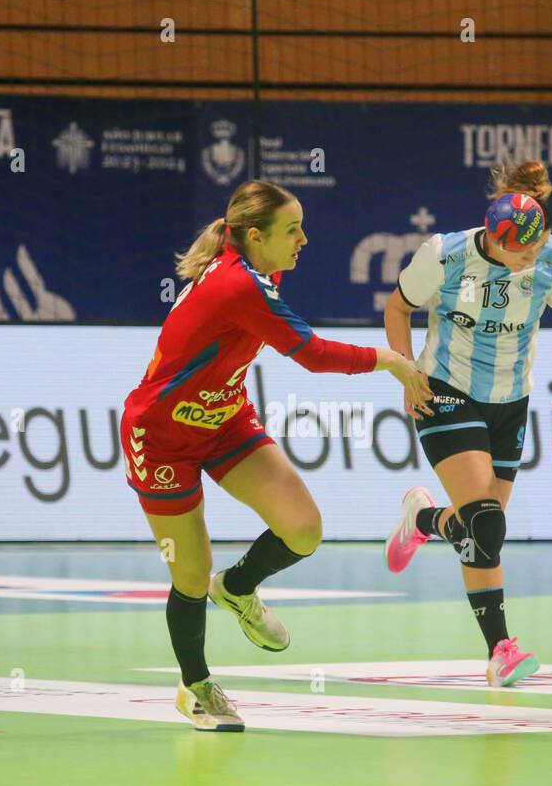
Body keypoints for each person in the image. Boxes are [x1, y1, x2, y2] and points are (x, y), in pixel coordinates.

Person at [122, 179, 432, 731]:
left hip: (224, 421)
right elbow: (310, 353)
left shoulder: (263, 270)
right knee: (191, 576)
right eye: (293, 230)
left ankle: (238, 589)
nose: (305, 239)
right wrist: (391, 361)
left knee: (304, 530)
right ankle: (195, 686)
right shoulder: (236, 286)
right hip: (161, 435)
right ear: (255, 236)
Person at [382, 160, 552, 687]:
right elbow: (397, 309)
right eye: (522, 251)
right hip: (445, 389)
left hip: (509, 400)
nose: (531, 259)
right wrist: (406, 371)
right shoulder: (445, 254)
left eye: (538, 246)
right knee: (486, 523)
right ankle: (501, 651)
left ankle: (425, 520)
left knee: (481, 531)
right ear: (493, 240)